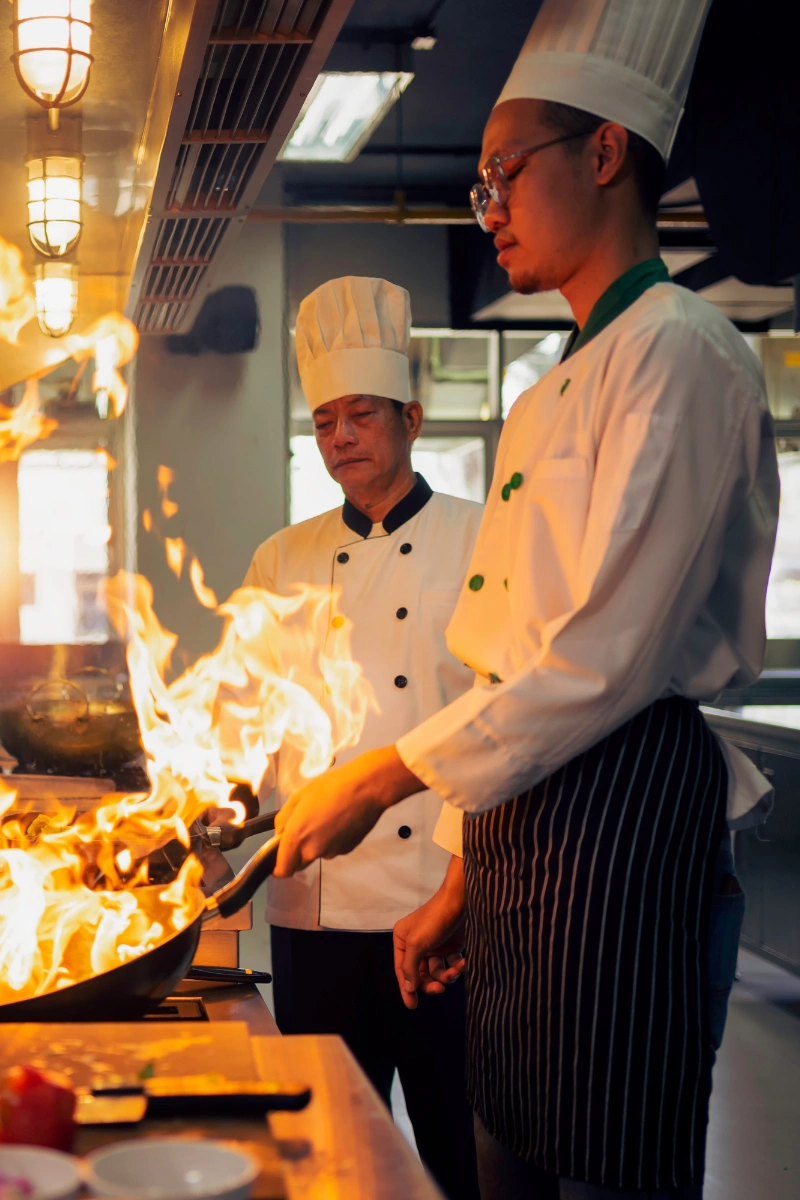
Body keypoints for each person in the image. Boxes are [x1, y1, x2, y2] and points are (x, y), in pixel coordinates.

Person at [269, 3, 781, 1198]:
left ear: (602, 153)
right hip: (522, 832)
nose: (486, 206)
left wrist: (383, 776)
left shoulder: (679, 350)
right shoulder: (556, 387)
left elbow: (603, 658)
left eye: (503, 174)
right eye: (480, 185)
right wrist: (461, 879)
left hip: (619, 814)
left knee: (604, 1157)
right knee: (506, 1141)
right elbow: (509, 672)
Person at [244, 275, 483, 1200]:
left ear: (411, 419)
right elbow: (258, 718)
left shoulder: (483, 540)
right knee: (327, 1159)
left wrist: (464, 887)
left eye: (361, 415)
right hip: (314, 908)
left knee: (460, 1151)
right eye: (324, 421)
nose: (340, 436)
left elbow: (502, 725)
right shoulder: (282, 557)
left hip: (444, 902)